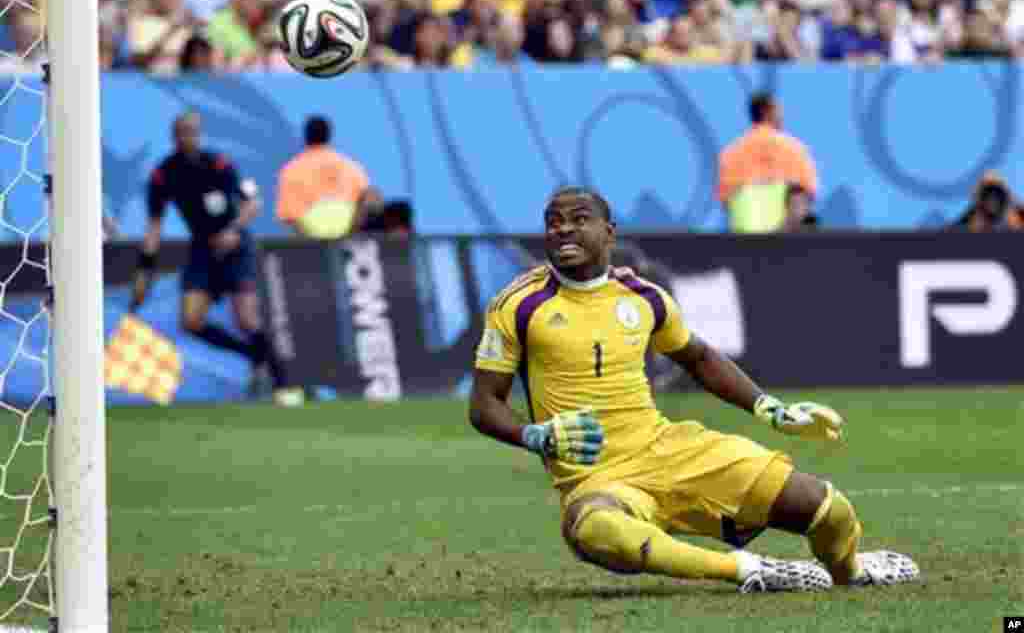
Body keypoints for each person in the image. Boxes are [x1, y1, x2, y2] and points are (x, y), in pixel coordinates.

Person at [469, 186, 919, 592]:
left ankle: (851, 572)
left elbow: (700, 358)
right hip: (596, 477)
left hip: (670, 451)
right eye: (553, 221)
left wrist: (770, 409)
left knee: (826, 509)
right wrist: (535, 435)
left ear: (608, 232)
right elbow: (484, 404)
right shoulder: (518, 304)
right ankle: (747, 570)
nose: (563, 228)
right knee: (595, 529)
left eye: (577, 218)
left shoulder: (644, 297)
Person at [132, 111, 303, 406]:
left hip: (236, 247)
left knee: (248, 320)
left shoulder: (220, 163)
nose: (188, 137)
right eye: (183, 132)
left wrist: (232, 229)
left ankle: (284, 382)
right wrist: (144, 271)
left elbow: (253, 203)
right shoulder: (164, 174)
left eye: (193, 131)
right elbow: (154, 227)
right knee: (191, 320)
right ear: (174, 136)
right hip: (202, 249)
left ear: (199, 135)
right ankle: (252, 355)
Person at [277, 116, 412, 239]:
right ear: (329, 136)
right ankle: (400, 257)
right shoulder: (350, 165)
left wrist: (309, 242)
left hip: (312, 234)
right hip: (349, 229)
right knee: (400, 209)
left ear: (305, 137)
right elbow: (370, 199)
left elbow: (289, 217)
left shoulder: (290, 170)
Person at [718, 92, 818, 233]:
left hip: (743, 235)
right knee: (807, 214)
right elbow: (808, 196)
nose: (782, 116)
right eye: (779, 111)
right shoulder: (795, 149)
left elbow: (725, 203)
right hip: (785, 239)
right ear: (769, 112)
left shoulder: (730, 153)